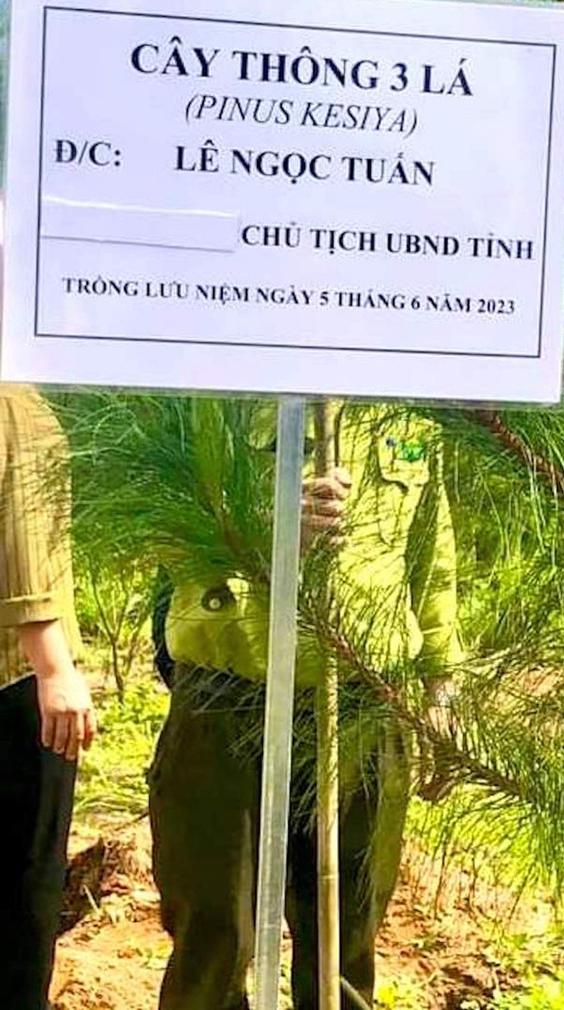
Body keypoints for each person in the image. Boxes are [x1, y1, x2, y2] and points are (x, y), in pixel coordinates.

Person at [148, 405, 459, 1010]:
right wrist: (267, 531)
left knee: (346, 935)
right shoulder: (221, 393)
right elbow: (162, 521)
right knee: (216, 932)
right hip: (231, 694)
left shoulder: (407, 406)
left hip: (367, 702)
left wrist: (441, 683)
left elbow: (432, 555)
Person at [0, 383, 97, 1010]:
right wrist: (53, 664)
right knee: (24, 887)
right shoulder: (15, 399)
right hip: (17, 681)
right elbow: (24, 528)